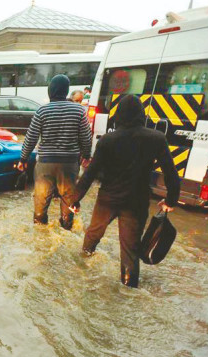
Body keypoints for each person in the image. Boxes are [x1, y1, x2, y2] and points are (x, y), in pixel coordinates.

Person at [68, 95, 180, 287]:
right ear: (141, 115)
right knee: (130, 252)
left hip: (107, 200)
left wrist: (75, 199)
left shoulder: (107, 140)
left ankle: (81, 273)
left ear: (118, 115)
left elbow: (90, 173)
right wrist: (171, 201)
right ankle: (128, 287)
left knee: (92, 236)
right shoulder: (156, 139)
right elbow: (171, 174)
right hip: (136, 203)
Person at [17, 74, 92, 230]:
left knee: (41, 200)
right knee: (68, 200)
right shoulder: (78, 110)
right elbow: (86, 137)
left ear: (50, 91)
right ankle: (66, 227)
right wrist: (86, 155)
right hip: (69, 165)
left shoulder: (42, 111)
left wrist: (23, 159)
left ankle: (40, 231)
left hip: (45, 164)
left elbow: (30, 137)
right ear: (66, 91)